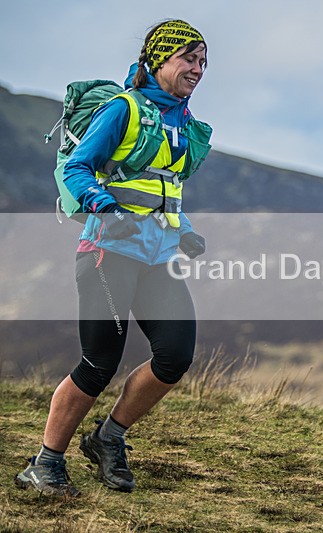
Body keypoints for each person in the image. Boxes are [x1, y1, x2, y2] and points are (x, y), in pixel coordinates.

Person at [15, 20, 211, 497]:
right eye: (189, 58)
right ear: (159, 58)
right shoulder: (122, 110)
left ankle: (108, 438)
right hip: (108, 250)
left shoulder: (183, 125)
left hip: (158, 255)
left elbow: (164, 190)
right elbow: (77, 166)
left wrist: (184, 232)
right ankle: (44, 464)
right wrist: (103, 206)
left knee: (175, 355)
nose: (198, 70)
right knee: (99, 363)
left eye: (203, 62)